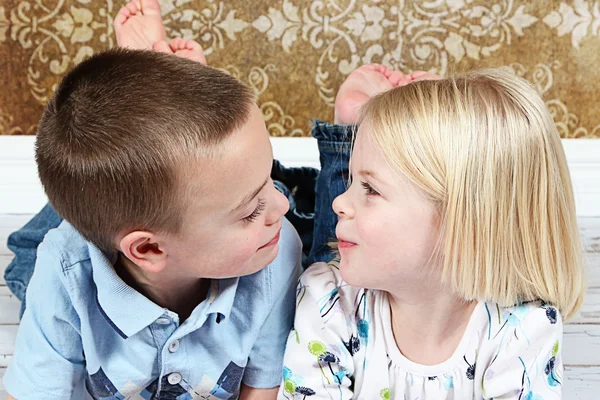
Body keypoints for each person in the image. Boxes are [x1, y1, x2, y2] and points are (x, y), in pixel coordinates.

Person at [3, 1, 303, 398]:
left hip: (153, 227)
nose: (282, 207)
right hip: (84, 257)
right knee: (34, 256)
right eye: (250, 211)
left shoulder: (274, 250)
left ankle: (154, 85)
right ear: (149, 247)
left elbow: (262, 386)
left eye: (270, 183)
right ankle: (143, 89)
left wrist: (252, 204)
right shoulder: (63, 272)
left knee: (136, 193)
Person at [279, 67, 586, 398]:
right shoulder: (327, 300)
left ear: (463, 219)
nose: (341, 201)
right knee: (317, 241)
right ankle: (344, 136)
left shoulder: (524, 328)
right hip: (349, 274)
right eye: (354, 182)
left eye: (369, 189)